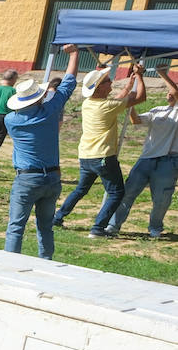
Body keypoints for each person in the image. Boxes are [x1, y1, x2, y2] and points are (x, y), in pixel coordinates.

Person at [2, 44, 81, 259]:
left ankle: (10, 265)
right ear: (39, 97)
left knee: (16, 226)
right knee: (45, 226)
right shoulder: (50, 111)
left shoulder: (11, 120)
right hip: (52, 176)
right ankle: (46, 261)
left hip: (27, 178)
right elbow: (68, 83)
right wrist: (74, 54)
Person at [54, 63, 146, 238]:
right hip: (103, 156)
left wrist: (129, 84)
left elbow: (117, 100)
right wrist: (140, 76)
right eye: (108, 81)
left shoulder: (90, 103)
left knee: (81, 189)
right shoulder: (107, 106)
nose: (111, 83)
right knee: (116, 192)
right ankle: (98, 228)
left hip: (86, 155)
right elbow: (140, 98)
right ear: (99, 88)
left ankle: (58, 217)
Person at [103, 64, 178, 238]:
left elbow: (175, 91)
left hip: (169, 161)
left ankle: (155, 228)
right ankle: (113, 226)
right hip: (146, 159)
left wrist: (161, 74)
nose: (169, 93)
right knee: (128, 192)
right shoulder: (157, 111)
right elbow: (136, 120)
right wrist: (131, 103)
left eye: (171, 92)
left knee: (161, 199)